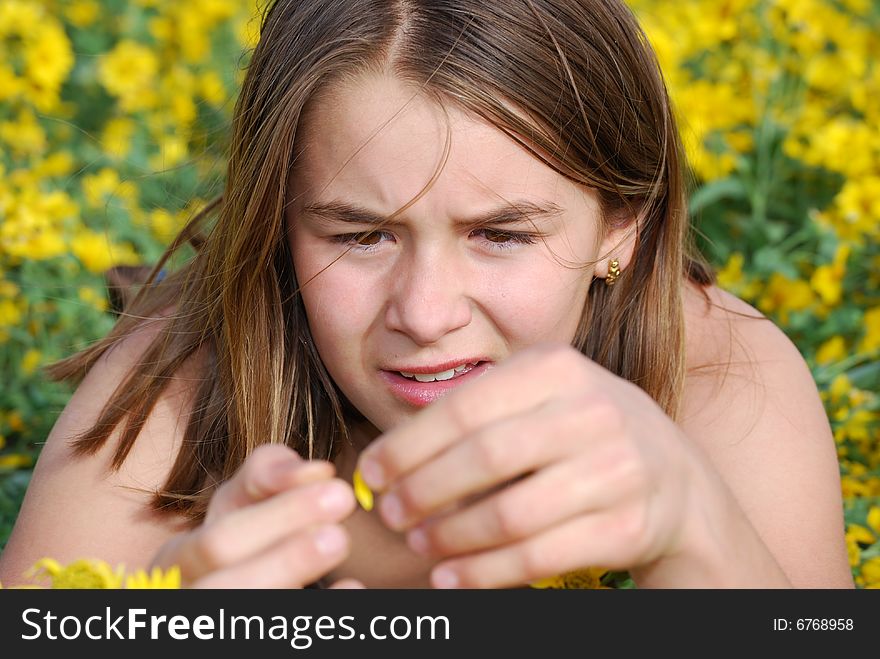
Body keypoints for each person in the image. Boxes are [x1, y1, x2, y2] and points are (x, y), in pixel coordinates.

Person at [0, 0, 853, 589]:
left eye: (502, 234)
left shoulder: (720, 378)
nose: (426, 312)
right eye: (360, 234)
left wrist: (694, 527)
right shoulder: (172, 384)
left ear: (621, 227)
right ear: (277, 224)